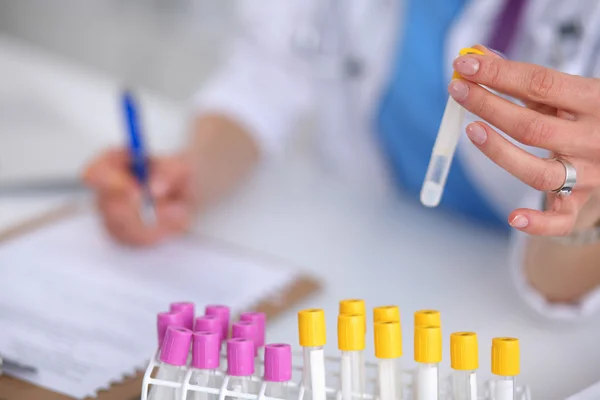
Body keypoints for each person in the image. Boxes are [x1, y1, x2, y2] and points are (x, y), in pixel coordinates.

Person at [84, 0, 600, 319]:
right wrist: (186, 178)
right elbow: (266, 73)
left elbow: (556, 283)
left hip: (505, 313)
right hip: (369, 256)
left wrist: (582, 209)